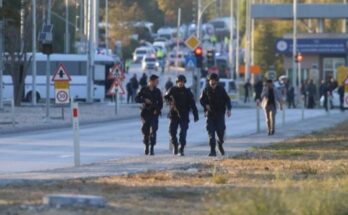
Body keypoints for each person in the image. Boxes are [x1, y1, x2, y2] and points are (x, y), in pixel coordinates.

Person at [164, 75, 199, 156]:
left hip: (184, 115)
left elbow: (192, 104)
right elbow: (165, 97)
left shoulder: (187, 92)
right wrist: (170, 102)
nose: (180, 83)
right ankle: (175, 145)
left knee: (183, 132)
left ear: (184, 82)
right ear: (177, 82)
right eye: (179, 82)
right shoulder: (172, 89)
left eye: (182, 82)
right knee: (172, 131)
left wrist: (195, 115)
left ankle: (181, 148)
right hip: (173, 114)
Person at [200, 73, 232, 157]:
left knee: (221, 132)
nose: (212, 82)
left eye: (214, 81)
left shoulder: (221, 90)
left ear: (217, 82)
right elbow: (201, 100)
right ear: (209, 81)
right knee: (211, 133)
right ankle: (212, 151)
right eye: (211, 81)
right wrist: (205, 105)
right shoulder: (206, 90)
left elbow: (227, 100)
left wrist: (229, 109)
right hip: (210, 115)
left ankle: (220, 144)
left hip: (220, 114)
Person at [135, 75, 163, 156]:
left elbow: (161, 103)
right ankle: (146, 146)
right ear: (151, 81)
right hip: (145, 113)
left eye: (157, 81)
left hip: (154, 113)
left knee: (153, 129)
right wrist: (144, 100)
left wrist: (157, 110)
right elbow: (136, 98)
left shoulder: (158, 91)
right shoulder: (143, 90)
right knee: (145, 130)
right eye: (156, 81)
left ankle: (152, 148)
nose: (157, 83)